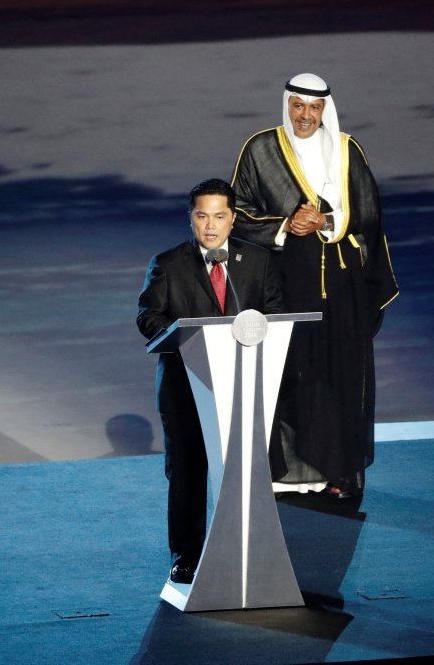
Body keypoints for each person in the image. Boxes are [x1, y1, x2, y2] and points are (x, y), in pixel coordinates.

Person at [230, 73, 398, 499]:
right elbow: (239, 214)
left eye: (314, 107)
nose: (305, 116)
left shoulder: (345, 150)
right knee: (288, 377)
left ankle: (337, 473)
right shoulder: (261, 149)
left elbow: (369, 216)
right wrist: (287, 223)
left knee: (338, 378)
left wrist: (325, 221)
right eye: (298, 106)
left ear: (325, 109)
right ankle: (284, 474)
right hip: (283, 287)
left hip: (341, 290)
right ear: (287, 105)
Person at [137, 178, 284, 584]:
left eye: (219, 216)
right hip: (186, 387)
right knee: (187, 473)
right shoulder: (168, 263)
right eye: (202, 215)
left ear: (233, 219)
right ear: (191, 219)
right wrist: (185, 332)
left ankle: (244, 551)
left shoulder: (258, 261)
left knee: (241, 473)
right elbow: (148, 318)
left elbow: (274, 312)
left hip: (242, 387)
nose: (210, 225)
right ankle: (186, 556)